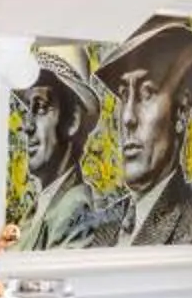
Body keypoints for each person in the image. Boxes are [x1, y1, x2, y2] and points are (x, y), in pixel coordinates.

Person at [95, 19, 192, 248]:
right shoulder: (106, 223)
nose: (127, 118)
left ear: (181, 111)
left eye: (147, 94)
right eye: (124, 96)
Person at [10, 52, 120, 251]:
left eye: (41, 108)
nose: (27, 126)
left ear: (73, 122)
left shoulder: (73, 209)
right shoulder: (41, 206)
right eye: (29, 110)